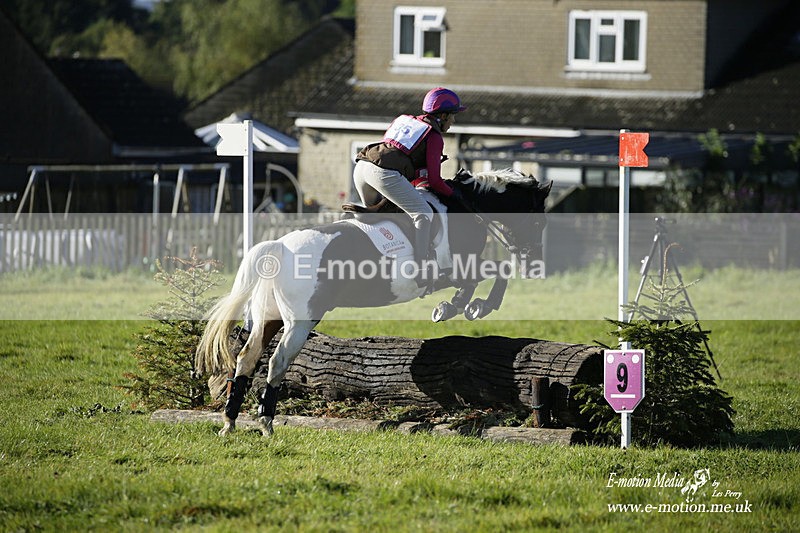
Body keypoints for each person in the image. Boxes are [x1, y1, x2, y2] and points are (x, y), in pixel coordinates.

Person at [353, 87, 465, 287]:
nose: (453, 121)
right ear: (443, 116)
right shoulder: (434, 136)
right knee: (423, 213)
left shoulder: (406, 121)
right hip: (383, 173)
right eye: (453, 116)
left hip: (362, 167)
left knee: (381, 218)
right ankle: (421, 270)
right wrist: (454, 195)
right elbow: (435, 181)